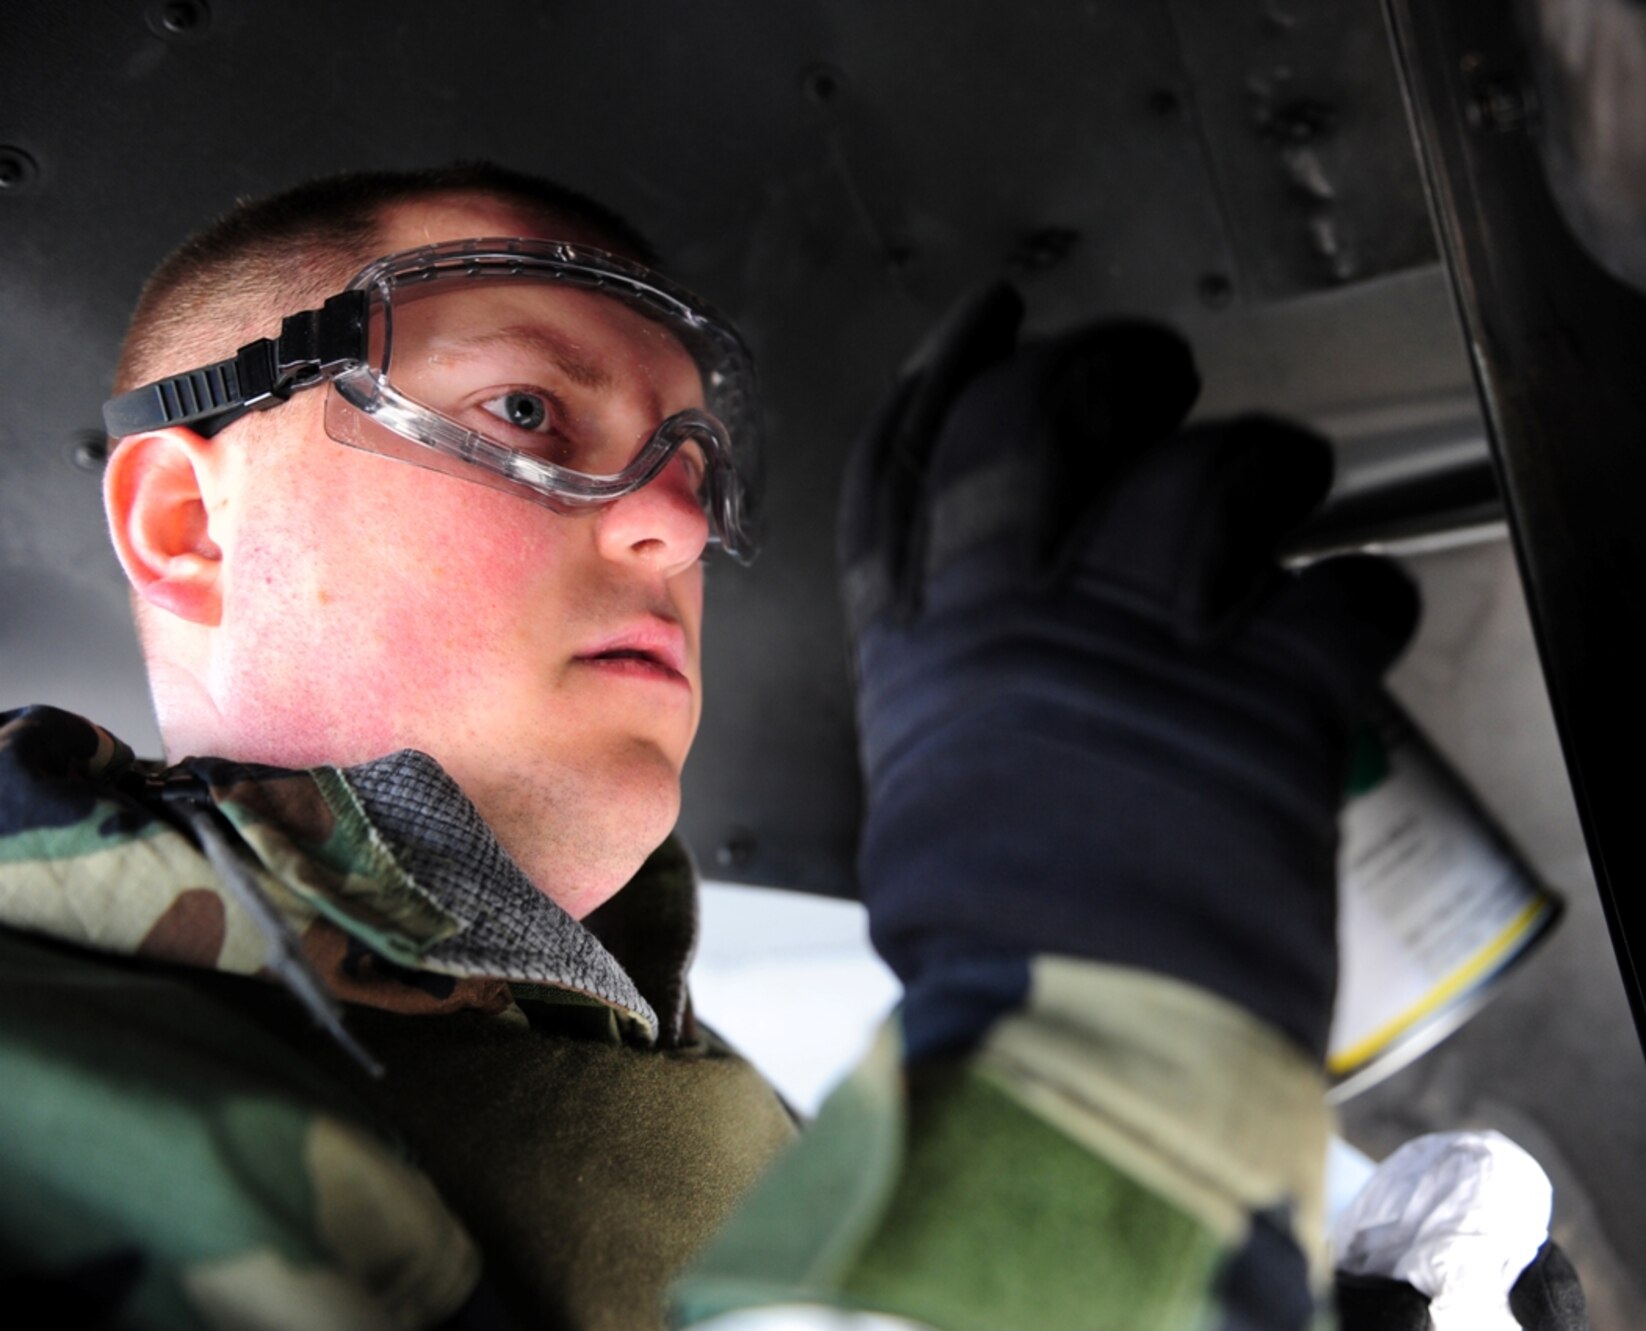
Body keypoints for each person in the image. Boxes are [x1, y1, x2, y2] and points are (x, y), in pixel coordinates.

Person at [0, 162, 1427, 1330]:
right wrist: (1102, 1080)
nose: (675, 528)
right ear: (187, 528)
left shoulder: (703, 1113)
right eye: (526, 411)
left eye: (693, 468)